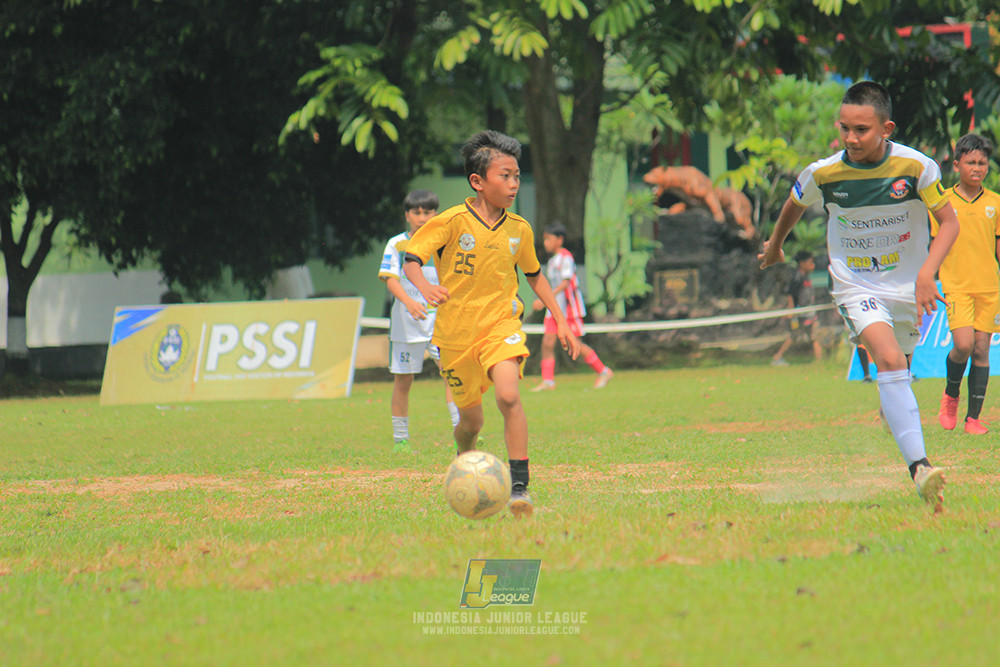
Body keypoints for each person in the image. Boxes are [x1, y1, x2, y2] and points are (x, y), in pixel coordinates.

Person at [759, 81, 960, 508]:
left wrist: (927, 274)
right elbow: (795, 201)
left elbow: (951, 223)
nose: (851, 138)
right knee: (887, 360)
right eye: (845, 128)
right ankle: (920, 469)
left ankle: (895, 414)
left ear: (885, 127)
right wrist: (777, 244)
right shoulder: (825, 173)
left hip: (908, 288)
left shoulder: (917, 168)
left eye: (862, 130)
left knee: (899, 371)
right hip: (856, 285)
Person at [403, 130, 581, 518]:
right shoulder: (450, 221)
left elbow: (534, 275)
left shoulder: (519, 228)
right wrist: (425, 287)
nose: (514, 184)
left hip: (501, 326)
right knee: (471, 421)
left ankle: (520, 489)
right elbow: (412, 260)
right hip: (454, 337)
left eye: (517, 175)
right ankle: (464, 461)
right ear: (478, 182)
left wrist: (561, 321)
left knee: (508, 396)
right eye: (505, 176)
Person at [378, 190, 459, 453]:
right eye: (417, 212)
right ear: (407, 215)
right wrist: (410, 302)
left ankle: (462, 431)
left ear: (436, 214)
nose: (422, 218)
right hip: (406, 325)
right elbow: (390, 278)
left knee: (452, 375)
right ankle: (401, 440)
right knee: (403, 382)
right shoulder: (397, 244)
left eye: (427, 212)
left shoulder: (445, 243)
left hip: (440, 323)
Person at [933, 133, 1000, 435]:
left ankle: (973, 418)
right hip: (956, 285)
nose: (977, 168)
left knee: (982, 350)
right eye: (971, 162)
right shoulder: (943, 201)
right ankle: (950, 396)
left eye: (982, 163)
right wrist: (928, 277)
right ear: (957, 164)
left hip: (989, 287)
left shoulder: (996, 203)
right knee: (963, 345)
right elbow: (934, 245)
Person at [530, 223, 613, 391]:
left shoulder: (566, 258)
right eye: (544, 239)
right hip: (553, 310)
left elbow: (566, 283)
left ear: (559, 240)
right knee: (547, 342)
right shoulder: (552, 261)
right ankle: (548, 382)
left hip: (568, 310)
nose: (545, 243)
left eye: (549, 239)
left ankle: (603, 371)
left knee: (575, 344)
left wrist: (545, 298)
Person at [771, 250, 823, 366]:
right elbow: (790, 294)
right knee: (795, 336)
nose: (813, 265)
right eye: (810, 262)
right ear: (802, 263)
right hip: (801, 314)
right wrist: (792, 310)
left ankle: (820, 362)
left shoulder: (806, 277)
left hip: (809, 313)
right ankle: (777, 357)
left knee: (813, 335)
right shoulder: (797, 277)